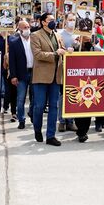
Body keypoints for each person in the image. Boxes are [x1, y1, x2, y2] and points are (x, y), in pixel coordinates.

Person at [30, 13, 69, 146]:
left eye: (54, 20)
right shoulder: (35, 35)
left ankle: (50, 135)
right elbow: (37, 54)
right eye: (50, 20)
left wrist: (67, 50)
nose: (54, 22)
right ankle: (37, 129)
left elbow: (62, 49)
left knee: (54, 106)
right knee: (39, 106)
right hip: (41, 76)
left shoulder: (58, 35)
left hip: (56, 76)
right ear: (43, 22)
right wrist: (55, 54)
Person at [9, 21, 34, 130]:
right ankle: (21, 120)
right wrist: (13, 76)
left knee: (36, 98)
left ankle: (32, 114)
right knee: (21, 99)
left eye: (28, 27)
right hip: (21, 74)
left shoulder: (34, 40)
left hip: (34, 72)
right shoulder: (14, 42)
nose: (27, 29)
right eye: (25, 27)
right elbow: (12, 61)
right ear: (19, 29)